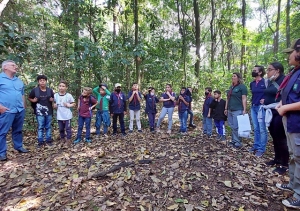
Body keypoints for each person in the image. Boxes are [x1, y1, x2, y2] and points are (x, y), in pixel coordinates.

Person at [275, 38, 300, 209]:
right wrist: (282, 104)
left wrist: (286, 108)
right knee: (293, 155)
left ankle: (299, 195)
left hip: (297, 122)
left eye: (291, 52)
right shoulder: (294, 72)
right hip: (290, 120)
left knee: (299, 157)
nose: (288, 56)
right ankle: (293, 184)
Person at [262, 62, 288, 174]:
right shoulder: (271, 81)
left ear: (277, 70)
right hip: (270, 111)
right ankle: (277, 159)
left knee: (281, 137)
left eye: (269, 69)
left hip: (279, 112)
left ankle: (284, 164)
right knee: (274, 136)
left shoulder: (284, 80)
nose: (267, 72)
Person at [0, 60, 28, 161]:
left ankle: (18, 146)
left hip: (19, 110)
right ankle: (2, 152)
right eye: (13, 65)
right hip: (7, 110)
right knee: (2, 132)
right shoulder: (0, 78)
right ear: (5, 67)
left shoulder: (18, 81)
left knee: (18, 130)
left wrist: (24, 106)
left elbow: (22, 94)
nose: (15, 67)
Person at [28, 75, 55, 147]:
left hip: (48, 111)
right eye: (40, 80)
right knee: (40, 127)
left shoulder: (50, 90)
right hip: (39, 112)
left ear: (46, 81)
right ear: (38, 82)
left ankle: (48, 140)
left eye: (44, 80)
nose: (42, 82)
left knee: (48, 126)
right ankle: (40, 141)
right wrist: (33, 100)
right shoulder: (35, 90)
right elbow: (30, 97)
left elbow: (54, 98)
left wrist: (52, 100)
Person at [249, 65, 268, 157]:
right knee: (255, 128)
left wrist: (266, 99)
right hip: (253, 107)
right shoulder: (252, 83)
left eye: (255, 70)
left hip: (261, 108)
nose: (253, 71)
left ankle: (261, 148)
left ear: (260, 72)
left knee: (262, 129)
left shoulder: (265, 82)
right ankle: (256, 146)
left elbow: (271, 93)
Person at [224, 72, 248, 149]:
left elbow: (244, 98)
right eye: (232, 76)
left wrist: (244, 109)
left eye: (234, 76)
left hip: (238, 109)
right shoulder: (231, 87)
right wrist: (226, 108)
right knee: (232, 126)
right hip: (230, 109)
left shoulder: (242, 87)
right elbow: (227, 98)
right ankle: (234, 140)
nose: (232, 77)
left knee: (236, 126)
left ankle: (238, 142)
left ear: (238, 78)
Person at [53, 80, 75, 145]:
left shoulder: (69, 95)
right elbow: (53, 103)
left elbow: (74, 103)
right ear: (58, 87)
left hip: (67, 115)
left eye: (63, 86)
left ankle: (68, 139)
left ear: (66, 87)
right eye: (60, 86)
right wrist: (54, 105)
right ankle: (62, 138)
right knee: (61, 128)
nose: (61, 87)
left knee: (68, 128)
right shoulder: (55, 95)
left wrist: (69, 105)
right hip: (59, 115)